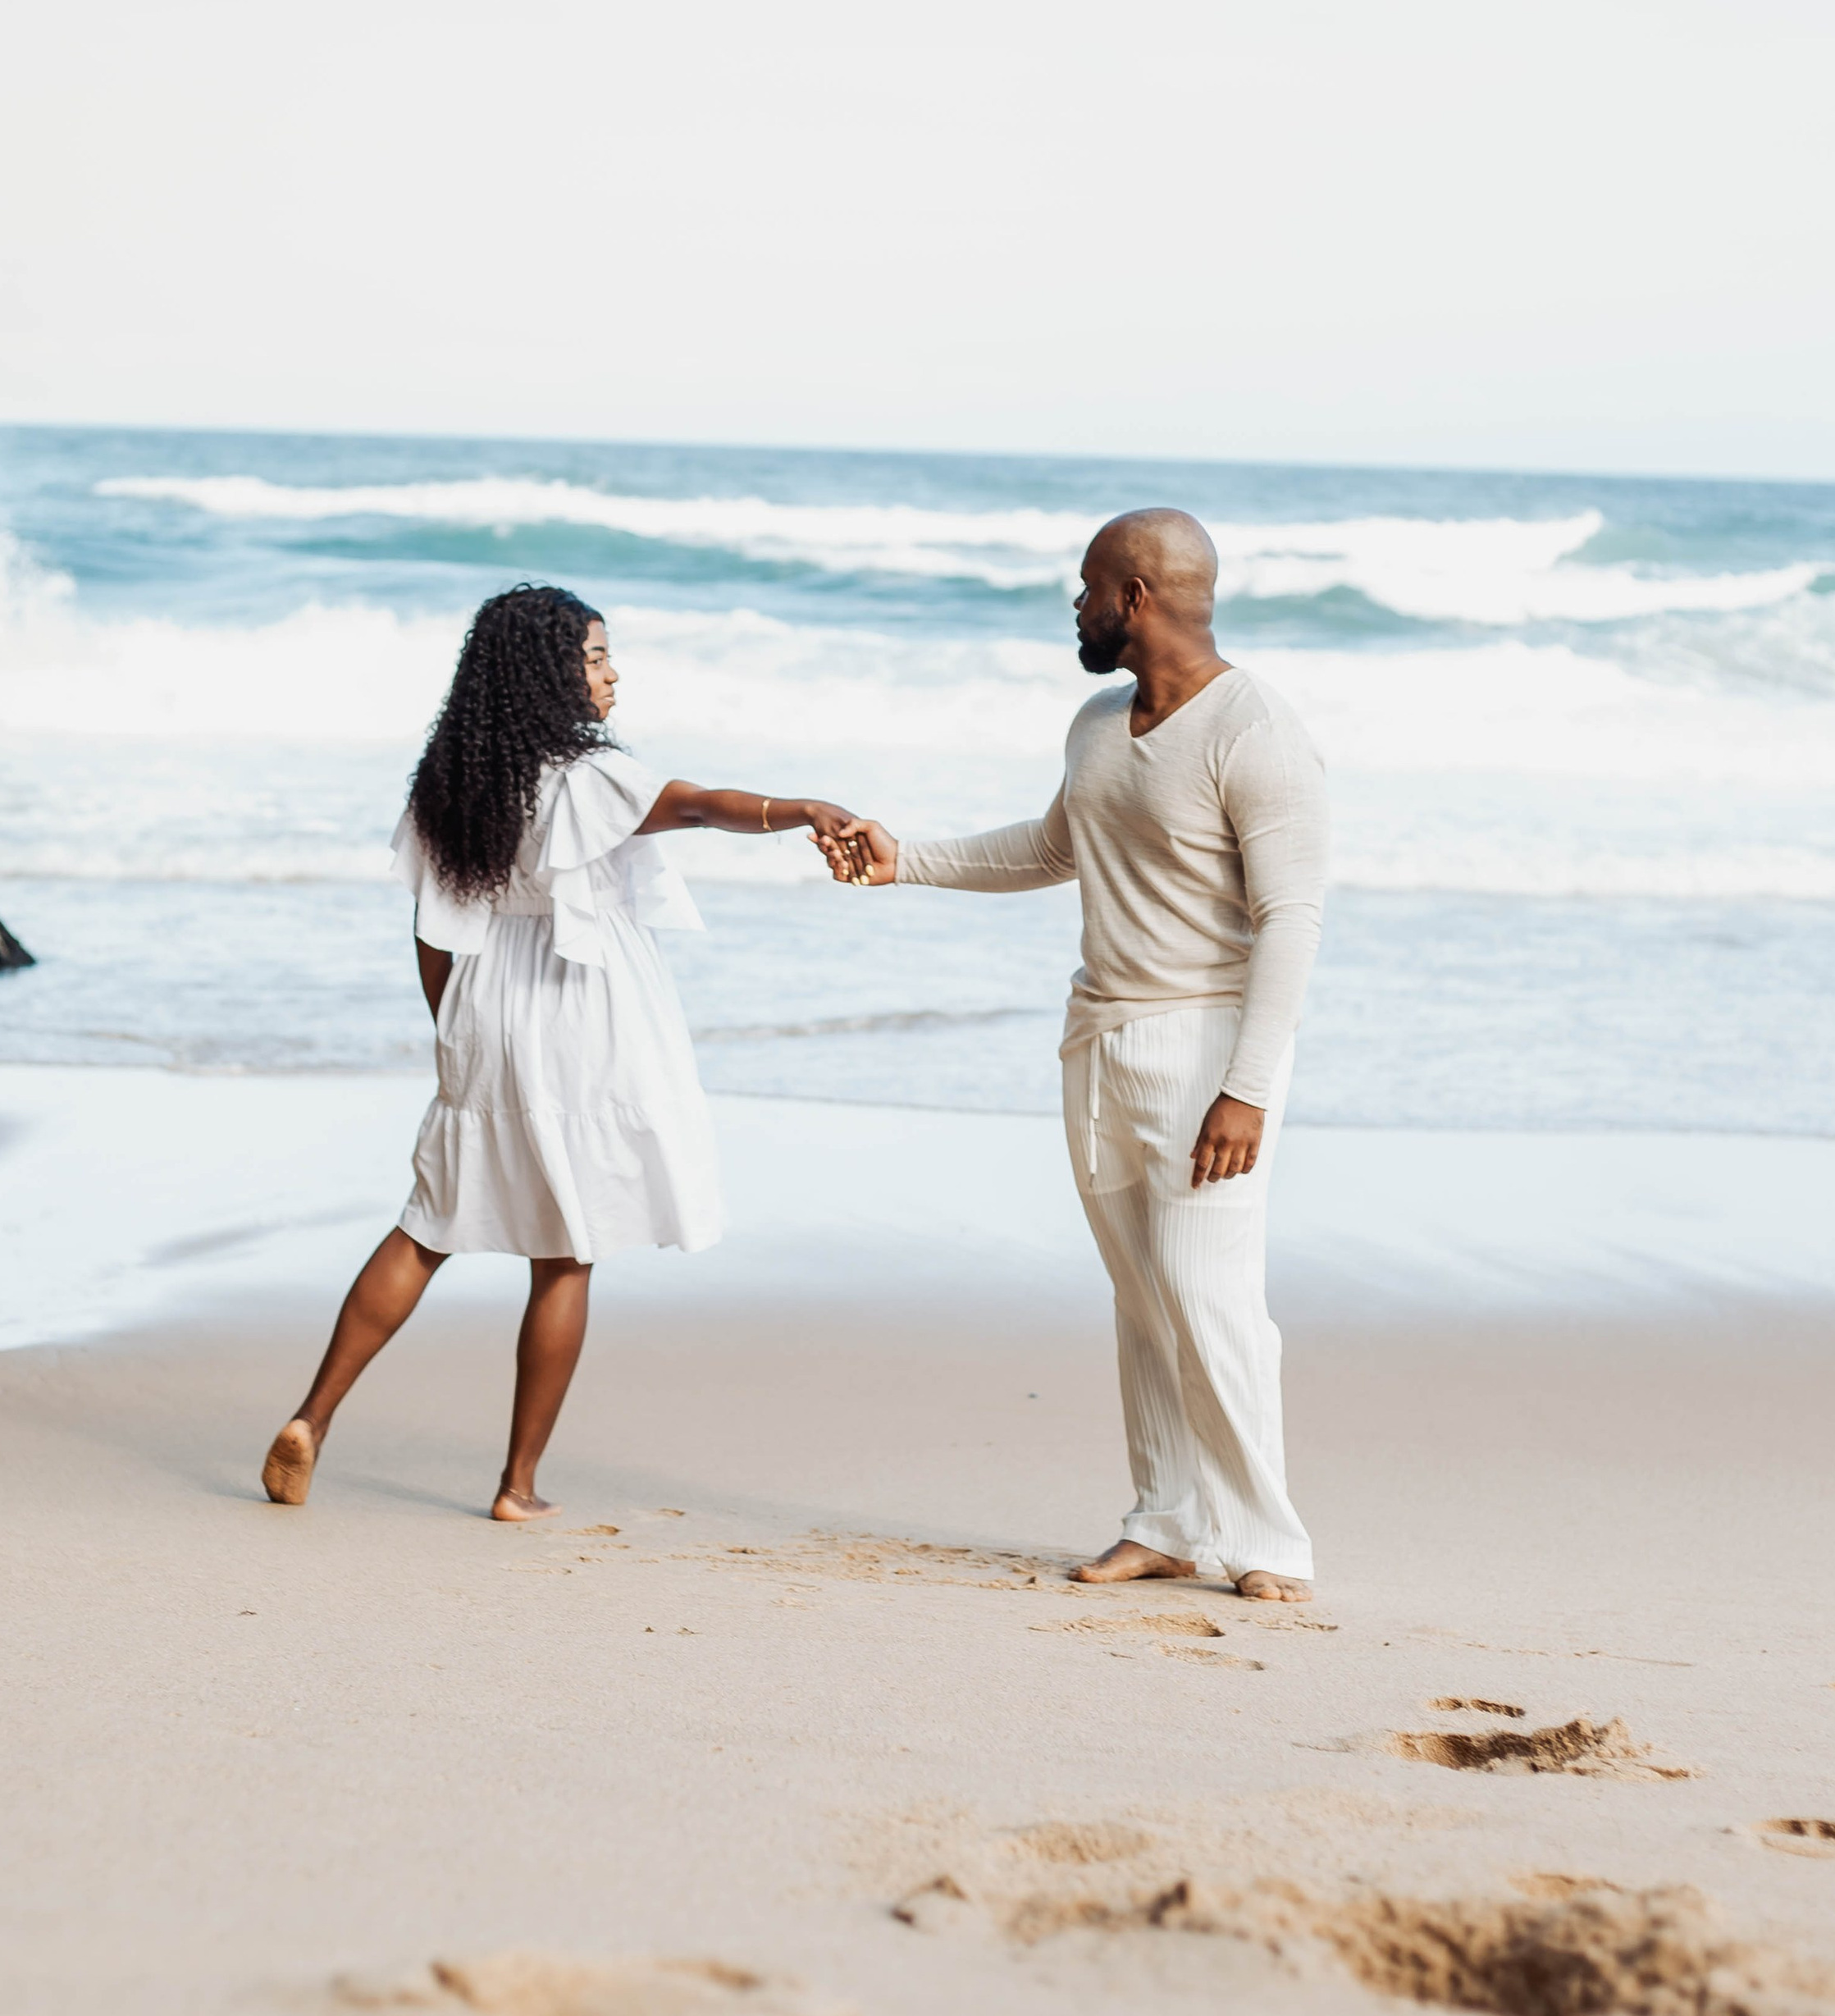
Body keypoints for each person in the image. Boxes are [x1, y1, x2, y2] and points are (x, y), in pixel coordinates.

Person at [261, 583, 862, 1521]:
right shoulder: (590, 776)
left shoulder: (454, 779)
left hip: (484, 1006)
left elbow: (431, 928)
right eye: (594, 656)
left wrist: (451, 1034)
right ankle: (516, 1486)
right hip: (582, 1009)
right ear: (550, 673)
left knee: (426, 1227)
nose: (612, 671)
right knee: (566, 1252)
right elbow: (700, 807)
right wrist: (805, 808)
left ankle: (311, 1417)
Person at [823, 510, 1327, 1602]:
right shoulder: (1099, 721)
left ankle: (1270, 1541)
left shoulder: (1259, 730)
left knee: (1211, 1290)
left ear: (1136, 595)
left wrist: (1246, 1088)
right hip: (1097, 1038)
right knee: (1143, 1297)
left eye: (1087, 588)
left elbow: (1292, 918)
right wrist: (902, 861)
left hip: (1208, 1051)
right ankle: (1167, 1520)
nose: (1077, 607)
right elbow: (1056, 845)